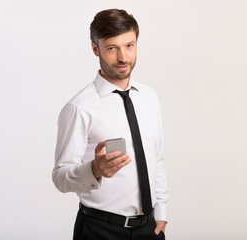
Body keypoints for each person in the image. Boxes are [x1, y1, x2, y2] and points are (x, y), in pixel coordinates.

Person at [52, 9, 168, 240]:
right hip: (100, 230)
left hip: (150, 228)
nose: (123, 57)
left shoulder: (149, 97)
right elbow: (60, 177)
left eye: (129, 45)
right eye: (112, 48)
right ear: (96, 49)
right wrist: (94, 169)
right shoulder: (79, 108)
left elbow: (157, 159)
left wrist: (162, 210)